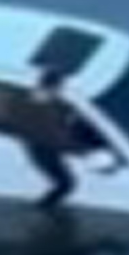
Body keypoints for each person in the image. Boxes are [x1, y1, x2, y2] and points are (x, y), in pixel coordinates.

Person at [15, 67, 86, 208]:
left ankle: (45, 207)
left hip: (44, 146)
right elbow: (49, 128)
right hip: (42, 147)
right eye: (60, 86)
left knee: (65, 182)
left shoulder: (49, 101)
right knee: (66, 183)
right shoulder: (43, 103)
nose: (61, 89)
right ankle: (43, 208)